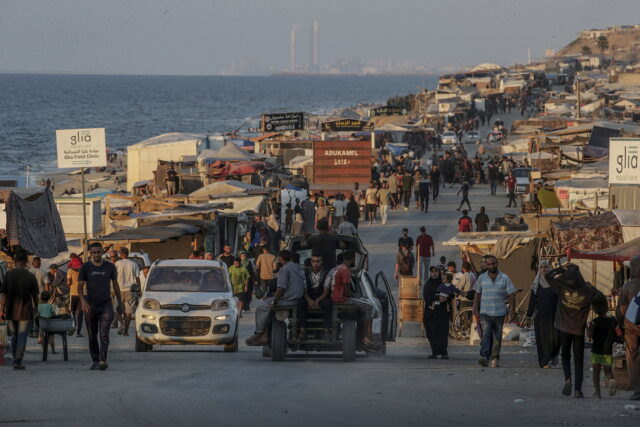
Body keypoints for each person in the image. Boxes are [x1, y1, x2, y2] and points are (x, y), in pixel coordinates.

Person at [545, 262, 599, 398]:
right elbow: (600, 299)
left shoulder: (562, 288)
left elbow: (547, 276)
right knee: (579, 360)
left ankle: (567, 379)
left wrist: (560, 269)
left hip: (563, 327)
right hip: (578, 330)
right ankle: (578, 390)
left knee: (565, 355)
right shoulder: (588, 291)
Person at [78, 242, 124, 371]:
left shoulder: (110, 267)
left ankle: (103, 360)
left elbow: (115, 285)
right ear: (91, 253)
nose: (96, 255)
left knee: (104, 334)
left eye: (99, 252)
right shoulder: (85, 267)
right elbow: (80, 288)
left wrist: (119, 303)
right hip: (90, 305)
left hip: (106, 305)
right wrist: (83, 302)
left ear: (102, 252)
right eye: (94, 252)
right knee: (92, 334)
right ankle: (95, 360)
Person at [246, 250, 305, 346]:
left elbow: (281, 288)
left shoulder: (284, 269)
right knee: (268, 302)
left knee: (261, 308)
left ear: (281, 259)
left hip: (288, 300)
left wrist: (274, 302)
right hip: (297, 299)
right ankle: (263, 333)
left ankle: (259, 333)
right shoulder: (298, 268)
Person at [473, 255, 516, 368]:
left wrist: (512, 310)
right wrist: (475, 308)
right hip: (485, 312)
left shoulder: (505, 277)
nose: (491, 266)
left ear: (497, 264)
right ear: (485, 265)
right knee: (486, 334)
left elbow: (512, 294)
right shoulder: (481, 278)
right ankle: (484, 356)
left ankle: (494, 357)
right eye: (489, 264)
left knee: (497, 337)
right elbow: (477, 294)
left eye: (493, 264)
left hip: (499, 313)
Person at [0, 249, 39, 370]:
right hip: (25, 311)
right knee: (22, 335)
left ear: (14, 261)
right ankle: (18, 361)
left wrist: (1, 310)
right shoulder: (30, 276)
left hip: (10, 311)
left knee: (14, 336)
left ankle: (15, 359)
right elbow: (35, 296)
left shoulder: (8, 275)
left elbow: (4, 295)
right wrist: (36, 308)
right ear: (26, 262)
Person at [331, 250, 375, 345]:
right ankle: (368, 336)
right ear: (353, 259)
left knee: (362, 303)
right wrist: (356, 297)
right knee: (369, 307)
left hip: (333, 298)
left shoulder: (337, 268)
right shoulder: (346, 270)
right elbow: (347, 292)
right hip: (341, 300)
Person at [526, 261, 560, 368]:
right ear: (539, 269)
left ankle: (553, 355)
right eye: (542, 267)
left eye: (546, 267)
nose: (544, 269)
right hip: (541, 317)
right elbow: (532, 301)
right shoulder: (536, 285)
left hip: (554, 316)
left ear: (549, 269)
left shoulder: (555, 283)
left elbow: (560, 299)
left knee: (556, 339)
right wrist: (528, 316)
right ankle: (544, 362)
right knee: (543, 339)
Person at [615, 255, 640, 400]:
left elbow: (621, 309)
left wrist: (621, 324)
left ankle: (638, 390)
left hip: (631, 328)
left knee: (633, 357)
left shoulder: (627, 287)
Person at [588, 299, 618, 398]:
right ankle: (612, 380)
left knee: (596, 372)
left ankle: (598, 393)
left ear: (595, 310)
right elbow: (617, 334)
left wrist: (588, 328)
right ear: (607, 308)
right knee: (608, 371)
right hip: (607, 350)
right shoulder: (613, 321)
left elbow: (589, 335)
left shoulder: (595, 322)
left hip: (596, 350)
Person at [297, 255, 332, 340]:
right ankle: (302, 331)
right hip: (308, 295)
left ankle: (327, 331)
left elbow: (326, 291)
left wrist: (317, 301)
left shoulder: (327, 273)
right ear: (311, 262)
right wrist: (309, 300)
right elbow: (304, 290)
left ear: (321, 262)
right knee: (301, 304)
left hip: (321, 296)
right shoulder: (304, 273)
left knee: (328, 304)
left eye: (318, 261)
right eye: (313, 261)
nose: (315, 264)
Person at [115, 247, 140, 336]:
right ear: (127, 254)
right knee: (128, 312)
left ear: (121, 254)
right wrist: (139, 290)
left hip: (119, 290)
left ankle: (122, 323)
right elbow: (137, 279)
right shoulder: (134, 264)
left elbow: (113, 277)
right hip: (130, 291)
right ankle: (126, 331)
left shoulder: (117, 263)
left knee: (117, 310)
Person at [425, 292, 452, 359]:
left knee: (443, 334)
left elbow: (451, 295)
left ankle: (443, 353)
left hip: (443, 314)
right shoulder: (430, 284)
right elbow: (427, 296)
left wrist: (445, 298)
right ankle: (435, 352)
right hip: (432, 314)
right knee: (432, 334)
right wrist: (438, 298)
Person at [67, 256, 85, 337]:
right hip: (82, 294)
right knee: (80, 313)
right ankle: (78, 332)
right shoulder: (83, 270)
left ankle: (74, 325)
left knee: (72, 311)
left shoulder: (70, 271)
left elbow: (68, 283)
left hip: (73, 293)